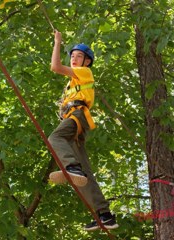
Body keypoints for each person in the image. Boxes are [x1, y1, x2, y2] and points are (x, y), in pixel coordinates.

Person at [48, 30, 119, 231]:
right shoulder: (73, 83)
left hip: (77, 116)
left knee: (55, 137)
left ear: (87, 62)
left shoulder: (84, 72)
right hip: (76, 120)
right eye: (72, 56)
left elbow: (55, 66)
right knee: (85, 173)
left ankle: (71, 166)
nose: (74, 59)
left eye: (79, 56)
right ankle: (104, 214)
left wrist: (58, 42)